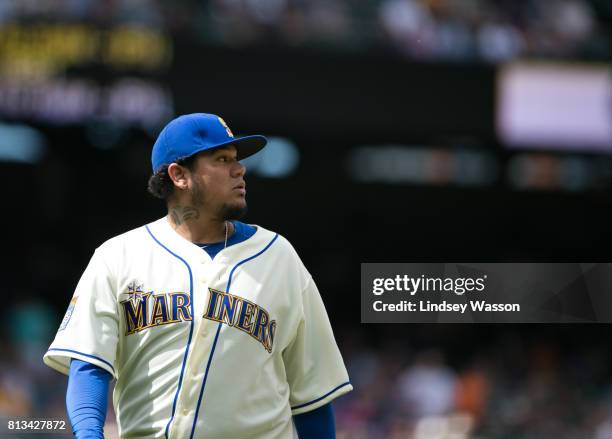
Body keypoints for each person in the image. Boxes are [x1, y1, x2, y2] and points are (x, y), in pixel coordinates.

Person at [43, 113, 352, 438]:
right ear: (179, 175)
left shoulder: (280, 257)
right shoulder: (118, 256)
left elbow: (312, 397)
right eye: (222, 159)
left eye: (237, 159)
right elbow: (89, 364)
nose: (239, 169)